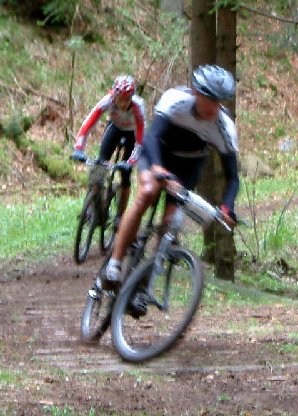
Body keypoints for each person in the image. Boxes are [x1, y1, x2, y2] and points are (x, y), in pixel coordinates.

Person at [102, 65, 239, 315]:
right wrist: (157, 168)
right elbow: (152, 137)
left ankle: (142, 288)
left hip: (188, 167)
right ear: (196, 92)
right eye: (208, 98)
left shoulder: (225, 127)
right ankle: (114, 263)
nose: (212, 107)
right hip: (158, 153)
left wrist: (228, 206)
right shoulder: (176, 100)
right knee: (147, 192)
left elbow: (233, 177)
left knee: (170, 225)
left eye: (218, 102)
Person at [71, 74, 146, 221]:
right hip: (115, 128)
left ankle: (120, 216)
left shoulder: (138, 106)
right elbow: (88, 124)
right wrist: (78, 149)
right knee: (99, 164)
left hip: (132, 134)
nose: (123, 103)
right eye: (119, 99)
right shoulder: (108, 100)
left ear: (132, 97)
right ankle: (91, 205)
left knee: (125, 175)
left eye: (127, 100)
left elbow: (140, 140)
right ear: (114, 95)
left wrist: (130, 163)